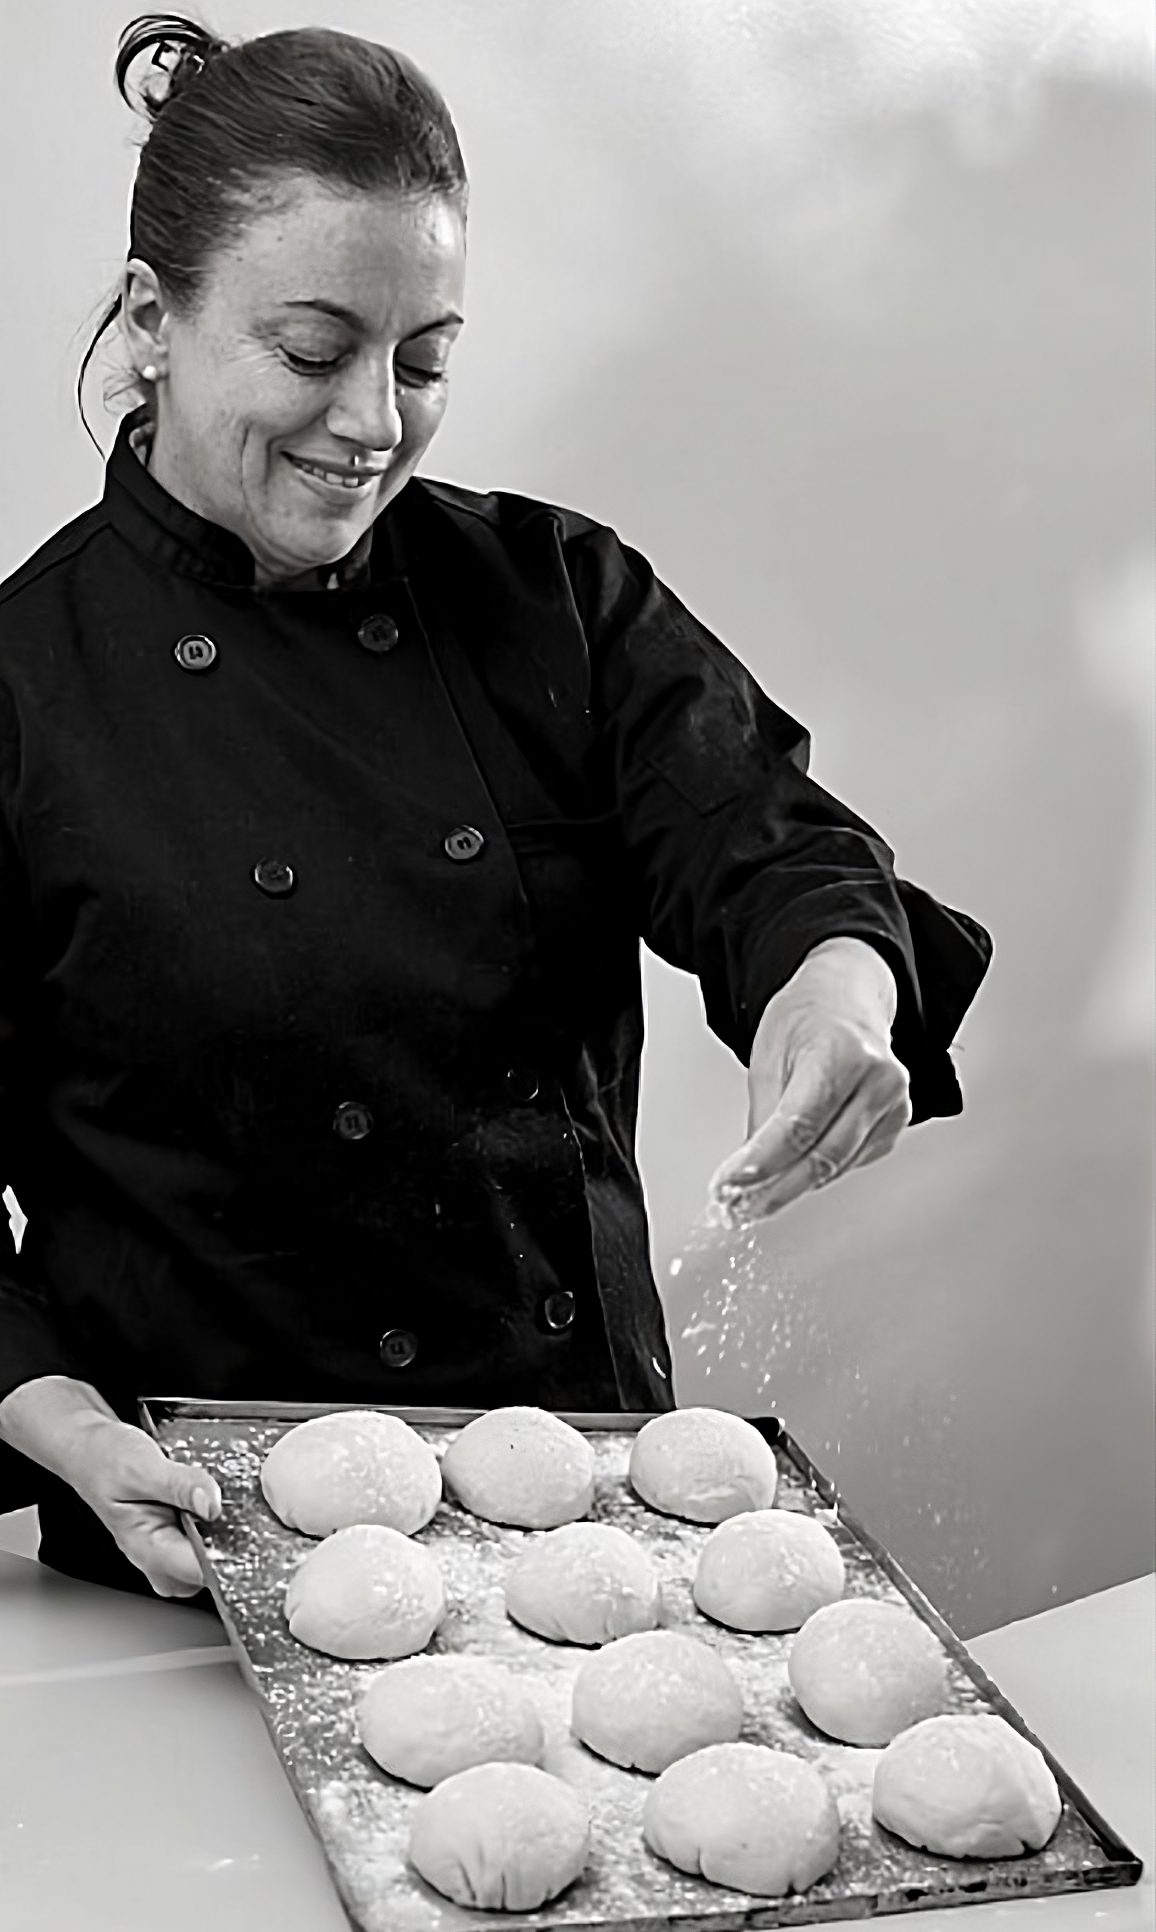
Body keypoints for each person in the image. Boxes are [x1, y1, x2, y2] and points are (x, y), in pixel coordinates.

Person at [0, 17, 990, 1601]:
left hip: (590, 1524)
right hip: (192, 1541)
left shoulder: (553, 597)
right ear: (153, 318)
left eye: (428, 356)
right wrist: (51, 1417)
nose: (377, 421)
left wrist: (834, 988)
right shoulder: (22, 687)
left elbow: (772, 846)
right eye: (315, 352)